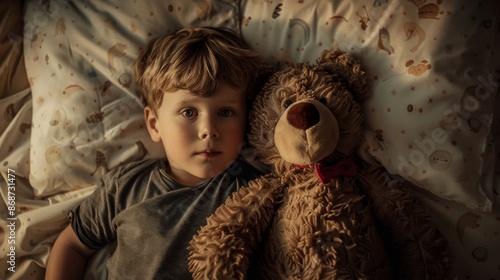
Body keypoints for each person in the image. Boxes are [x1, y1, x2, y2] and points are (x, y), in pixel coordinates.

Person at [45, 27, 263, 279]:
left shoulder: (254, 192)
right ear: (154, 124)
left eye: (225, 112)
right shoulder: (125, 187)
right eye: (189, 112)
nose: (209, 130)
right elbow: (71, 245)